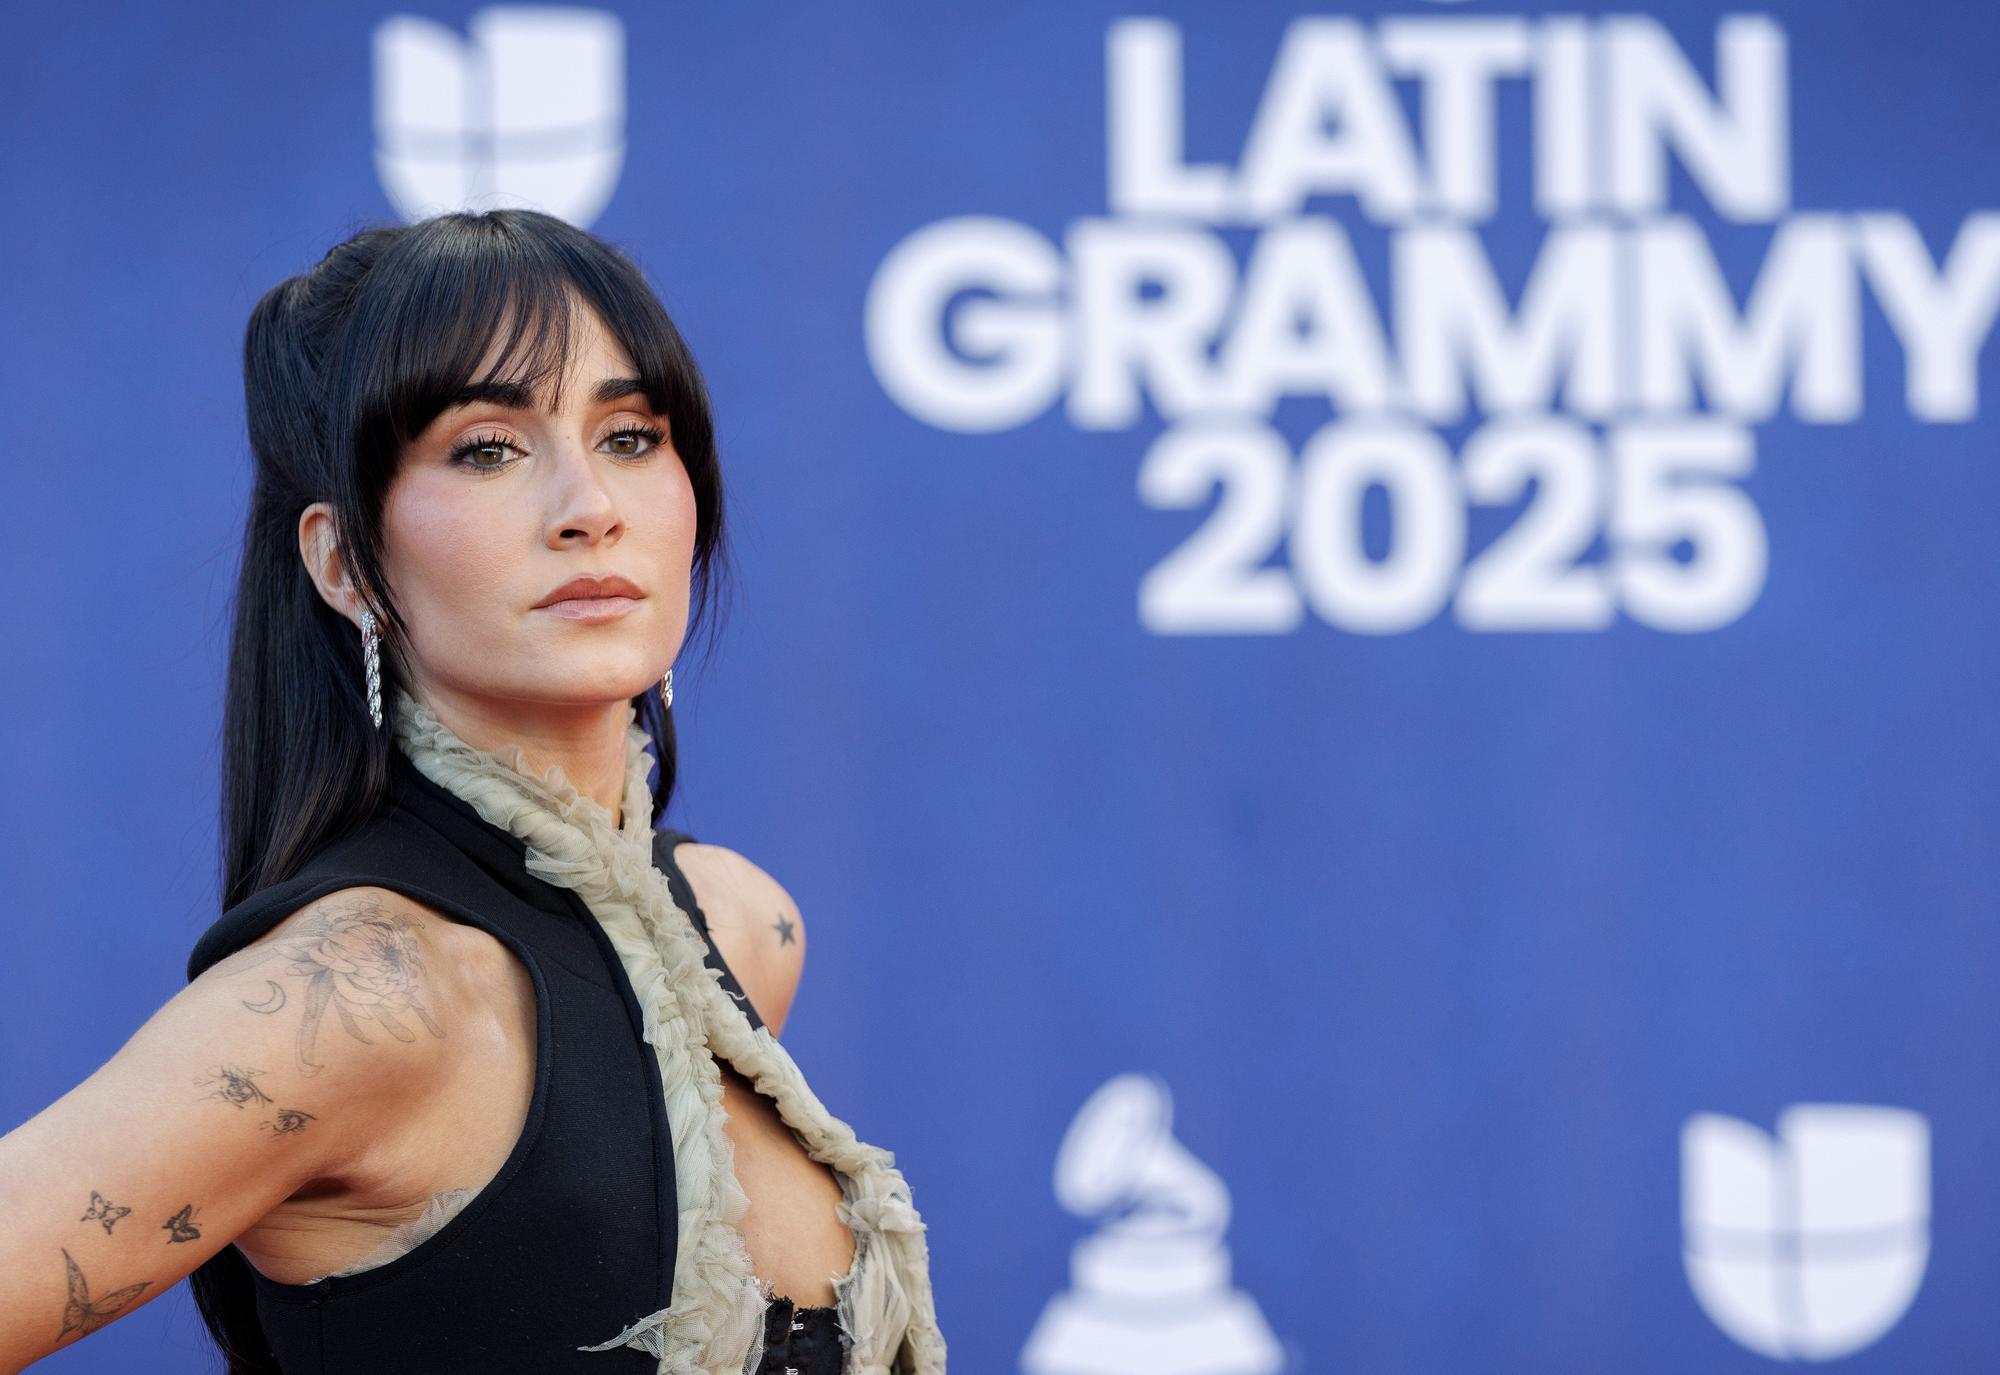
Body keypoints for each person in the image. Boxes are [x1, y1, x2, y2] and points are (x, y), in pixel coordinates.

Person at [0, 209, 948, 1374]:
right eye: (488, 446)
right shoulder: (359, 1002)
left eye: (632, 435)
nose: (588, 505)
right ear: (343, 561)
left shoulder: (739, 924)